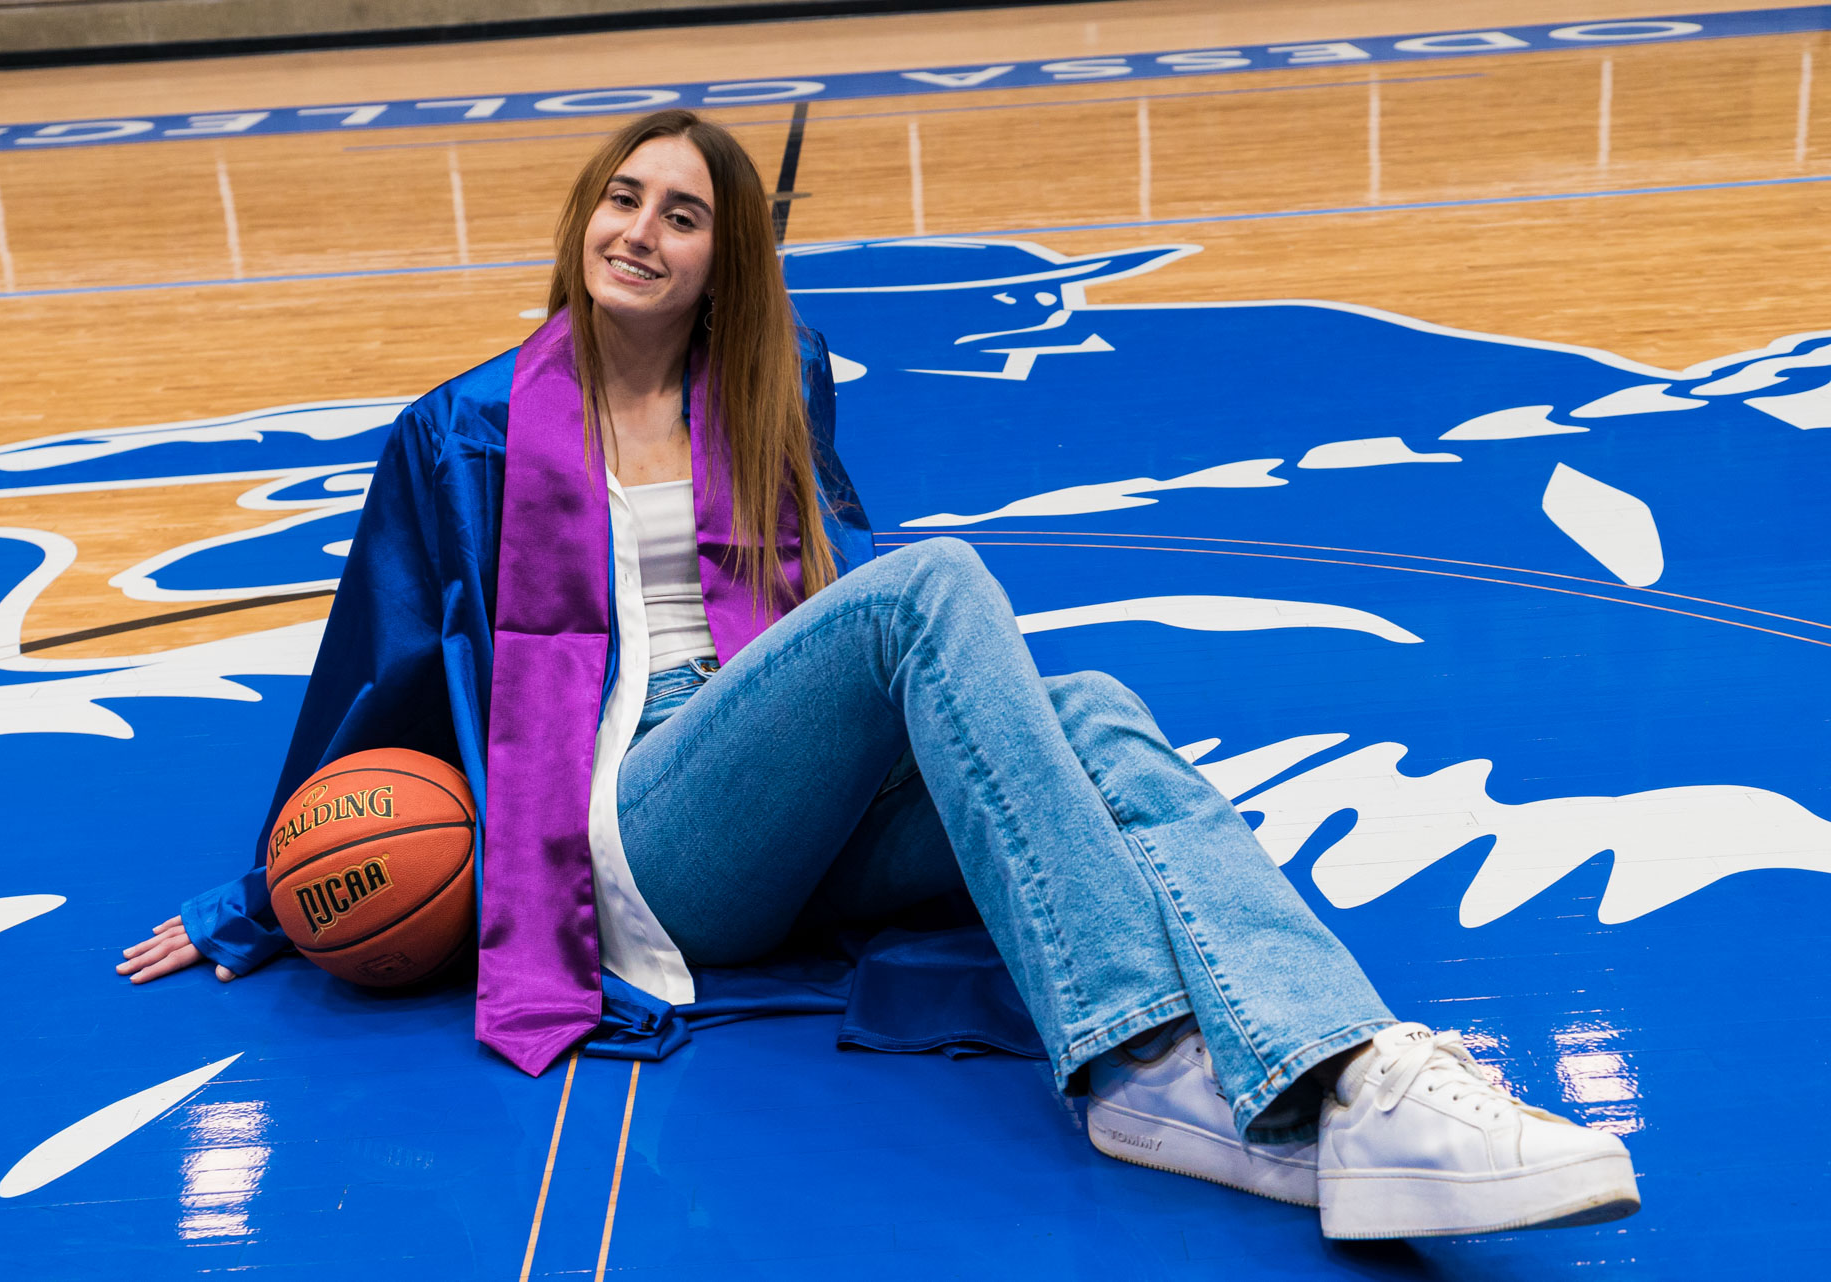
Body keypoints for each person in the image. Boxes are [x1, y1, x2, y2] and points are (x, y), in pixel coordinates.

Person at [118, 109, 1640, 1241]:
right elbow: (374, 649)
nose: (640, 230)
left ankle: (1344, 1068)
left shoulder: (773, 387)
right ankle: (1132, 1036)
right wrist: (252, 898)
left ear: (729, 259)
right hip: (630, 823)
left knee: (1095, 709)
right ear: (584, 218)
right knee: (937, 591)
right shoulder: (464, 428)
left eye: (683, 215)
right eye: (622, 199)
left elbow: (818, 627)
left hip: (773, 790)